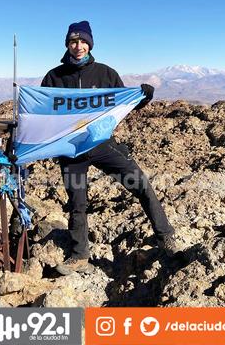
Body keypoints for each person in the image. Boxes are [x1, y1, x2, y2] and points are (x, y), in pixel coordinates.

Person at [41, 21, 177, 275]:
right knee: (77, 202)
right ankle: (80, 255)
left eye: (83, 41)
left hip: (102, 145)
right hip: (71, 151)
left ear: (90, 44)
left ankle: (165, 236)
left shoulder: (105, 73)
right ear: (67, 44)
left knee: (140, 184)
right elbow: (43, 111)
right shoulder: (54, 77)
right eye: (73, 41)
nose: (78, 46)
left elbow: (122, 104)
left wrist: (143, 97)